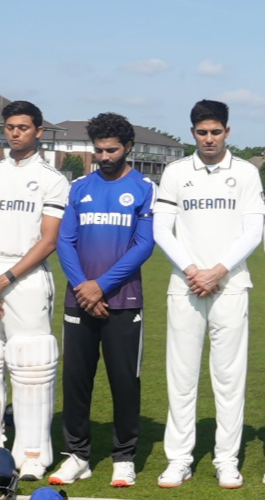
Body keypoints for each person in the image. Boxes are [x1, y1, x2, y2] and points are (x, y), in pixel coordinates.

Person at [154, 100, 264, 489]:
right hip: (185, 287)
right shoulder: (176, 171)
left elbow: (253, 231)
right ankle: (179, 460)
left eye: (216, 132)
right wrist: (192, 271)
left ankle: (226, 460)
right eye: (202, 132)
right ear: (192, 133)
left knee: (229, 378)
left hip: (231, 286)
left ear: (227, 132)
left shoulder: (247, 173)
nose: (209, 139)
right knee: (181, 377)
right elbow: (162, 230)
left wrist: (217, 271)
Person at [0, 101, 68, 481]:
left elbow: (49, 239)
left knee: (31, 364)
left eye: (23, 127)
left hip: (26, 276)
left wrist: (2, 280)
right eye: (9, 127)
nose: (15, 133)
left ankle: (33, 451)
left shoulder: (53, 178)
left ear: (38, 131)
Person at [51, 113, 156, 488]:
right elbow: (65, 241)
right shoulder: (79, 187)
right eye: (98, 150)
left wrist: (101, 286)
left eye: (111, 149)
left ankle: (124, 456)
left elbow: (144, 244)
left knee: (124, 381)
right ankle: (77, 455)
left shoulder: (144, 187)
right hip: (80, 300)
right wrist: (84, 287)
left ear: (128, 147)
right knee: (76, 380)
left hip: (123, 301)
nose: (104, 156)